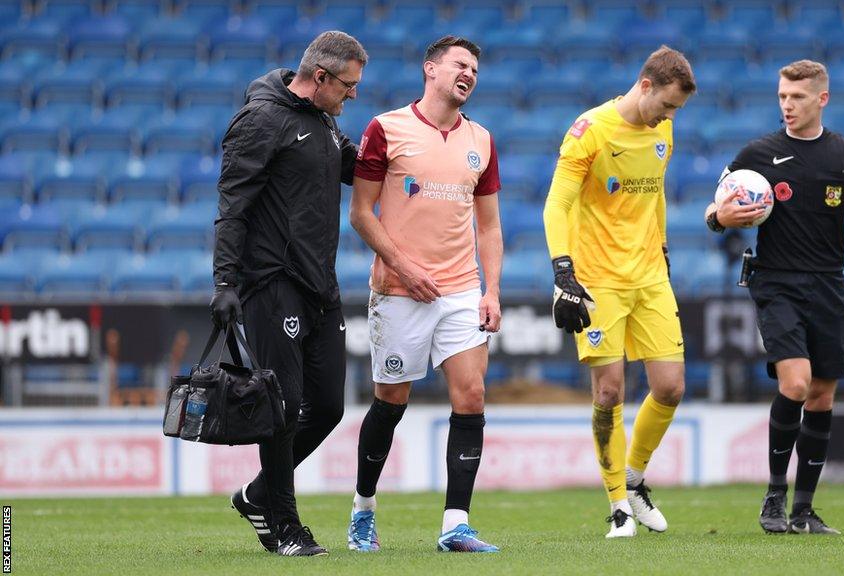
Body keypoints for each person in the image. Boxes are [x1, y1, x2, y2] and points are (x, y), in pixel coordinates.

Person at [704, 60, 844, 535]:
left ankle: (804, 510)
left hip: (828, 284)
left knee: (823, 395)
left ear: (821, 99)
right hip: (776, 281)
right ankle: (773, 496)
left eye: (797, 97)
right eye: (783, 96)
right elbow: (713, 207)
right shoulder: (757, 153)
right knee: (796, 384)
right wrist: (721, 219)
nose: (787, 105)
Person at [210, 31, 367, 556]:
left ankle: (257, 494)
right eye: (348, 86)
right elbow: (233, 207)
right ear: (319, 77)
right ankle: (283, 528)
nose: (353, 96)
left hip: (319, 283)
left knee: (326, 407)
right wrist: (226, 283)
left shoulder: (322, 120)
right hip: (272, 282)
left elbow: (355, 165)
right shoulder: (260, 120)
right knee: (282, 406)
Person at [346, 35, 503, 553]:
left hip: (460, 289)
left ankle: (455, 525)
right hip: (398, 290)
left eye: (475, 70)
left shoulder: (481, 139)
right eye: (461, 65)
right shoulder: (386, 129)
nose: (470, 75)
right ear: (430, 69)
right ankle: (363, 509)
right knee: (391, 400)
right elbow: (361, 214)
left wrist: (492, 290)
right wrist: (402, 266)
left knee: (472, 394)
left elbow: (489, 227)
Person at [542, 46, 697, 538]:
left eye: (676, 111)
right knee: (609, 392)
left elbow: (656, 193)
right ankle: (617, 508)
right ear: (645, 85)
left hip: (650, 275)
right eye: (667, 106)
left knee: (671, 387)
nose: (669, 118)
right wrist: (563, 272)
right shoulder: (589, 130)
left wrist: (665, 246)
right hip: (599, 280)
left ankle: (633, 480)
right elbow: (556, 204)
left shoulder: (662, 129)